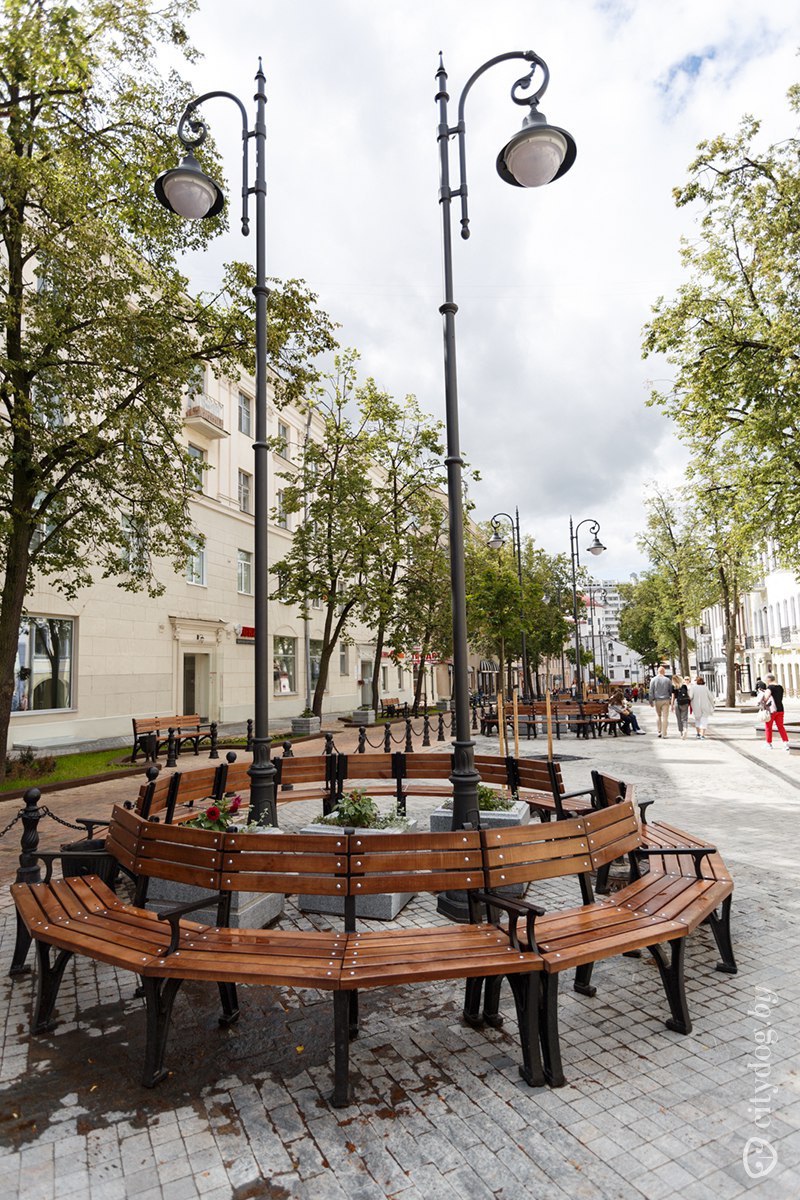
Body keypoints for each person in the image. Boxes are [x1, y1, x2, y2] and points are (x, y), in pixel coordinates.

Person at [762, 672, 790, 751]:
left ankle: (769, 744)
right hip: (780, 709)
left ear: (769, 679)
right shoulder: (780, 687)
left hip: (771, 710)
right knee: (781, 726)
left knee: (768, 727)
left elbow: (765, 698)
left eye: (765, 680)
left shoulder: (770, 687)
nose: (765, 682)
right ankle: (786, 743)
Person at [648, 665, 673, 737]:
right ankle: (664, 733)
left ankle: (659, 731)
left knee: (658, 715)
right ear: (664, 672)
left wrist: (651, 701)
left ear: (658, 672)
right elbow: (670, 690)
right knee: (665, 717)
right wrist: (671, 699)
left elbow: (651, 691)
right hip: (666, 700)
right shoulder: (667, 680)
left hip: (657, 700)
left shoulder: (653, 680)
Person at [689, 675, 715, 739]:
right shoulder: (705, 688)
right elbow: (711, 697)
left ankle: (698, 733)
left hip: (696, 706)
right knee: (704, 720)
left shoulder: (693, 688)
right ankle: (702, 735)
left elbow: (690, 697)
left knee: (697, 720)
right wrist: (712, 705)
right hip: (705, 706)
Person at [672, 674, 692, 740]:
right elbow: (688, 694)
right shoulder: (684, 686)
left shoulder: (674, 686)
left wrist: (672, 705)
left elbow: (673, 697)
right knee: (684, 718)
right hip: (685, 703)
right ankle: (685, 729)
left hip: (677, 702)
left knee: (679, 718)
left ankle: (681, 732)